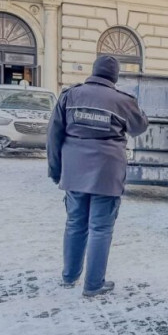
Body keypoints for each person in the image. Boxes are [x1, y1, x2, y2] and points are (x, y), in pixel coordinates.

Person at [47, 55, 148, 297]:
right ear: (115, 76)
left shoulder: (70, 96)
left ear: (93, 71)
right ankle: (93, 285)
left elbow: (53, 134)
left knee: (75, 223)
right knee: (100, 228)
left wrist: (56, 170)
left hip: (74, 172)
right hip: (107, 173)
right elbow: (140, 127)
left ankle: (69, 276)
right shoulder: (123, 101)